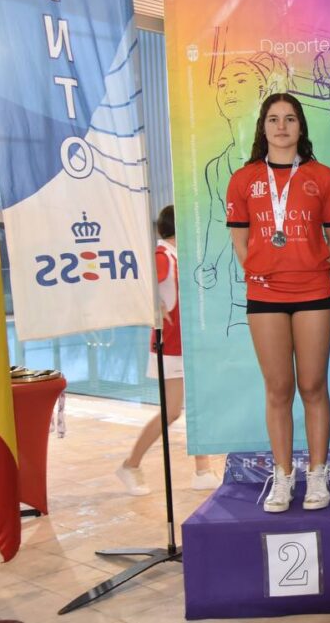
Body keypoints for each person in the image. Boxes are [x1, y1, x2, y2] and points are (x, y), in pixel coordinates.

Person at [226, 93, 330, 511]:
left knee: (312, 385)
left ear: (301, 127)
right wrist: (261, 271)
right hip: (265, 295)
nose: (282, 126)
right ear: (262, 127)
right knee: (278, 388)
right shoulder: (244, 179)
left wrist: (316, 271)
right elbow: (240, 240)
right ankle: (282, 477)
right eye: (274, 119)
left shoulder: (323, 177)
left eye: (290, 119)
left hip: (314, 293)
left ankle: (317, 475)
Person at [116, 205, 221, 495]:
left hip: (188, 344)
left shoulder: (178, 255)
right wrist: (153, 304)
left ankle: (203, 469)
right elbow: (136, 284)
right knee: (172, 412)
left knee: (197, 404)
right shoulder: (162, 255)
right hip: (171, 345)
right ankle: (130, 465)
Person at [197, 53, 289, 333]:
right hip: (246, 290)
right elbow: (219, 220)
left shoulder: (289, 160)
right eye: (223, 84)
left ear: (262, 92)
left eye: (240, 80)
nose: (230, 90)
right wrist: (208, 264)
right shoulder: (217, 168)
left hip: (297, 285)